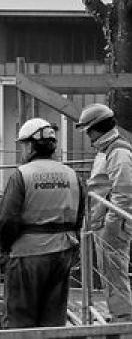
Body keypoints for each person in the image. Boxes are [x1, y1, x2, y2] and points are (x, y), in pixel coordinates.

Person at [0, 117, 84, 328]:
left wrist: (3, 248)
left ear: (30, 146)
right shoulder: (72, 176)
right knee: (53, 318)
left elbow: (8, 219)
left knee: (20, 319)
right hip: (62, 253)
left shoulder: (21, 175)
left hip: (27, 256)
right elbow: (79, 217)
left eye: (23, 145)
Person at [76, 103, 132, 322]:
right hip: (105, 222)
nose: (88, 135)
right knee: (109, 272)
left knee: (114, 272)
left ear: (97, 128)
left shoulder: (119, 152)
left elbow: (124, 194)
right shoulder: (109, 150)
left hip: (113, 225)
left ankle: (124, 318)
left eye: (88, 130)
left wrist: (110, 224)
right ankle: (118, 314)